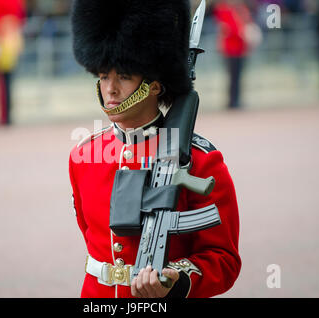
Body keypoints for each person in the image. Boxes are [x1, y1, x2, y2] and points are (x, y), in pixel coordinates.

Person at [68, 0, 241, 298]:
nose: (110, 89)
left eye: (123, 76)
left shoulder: (201, 160)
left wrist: (177, 278)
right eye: (104, 75)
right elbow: (91, 237)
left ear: (155, 85)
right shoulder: (83, 157)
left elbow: (223, 258)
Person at [213, 0, 258, 109]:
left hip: (241, 49)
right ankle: (232, 101)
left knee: (238, 77)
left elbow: (247, 23)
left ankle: (236, 100)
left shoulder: (242, 9)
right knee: (233, 77)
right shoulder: (225, 9)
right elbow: (229, 28)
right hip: (231, 49)